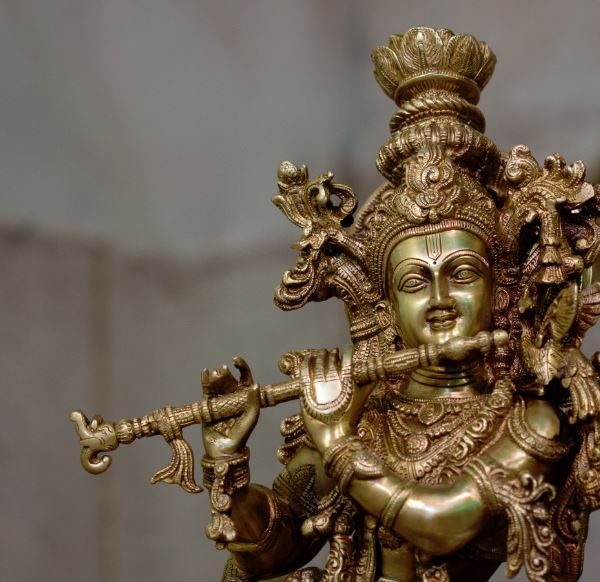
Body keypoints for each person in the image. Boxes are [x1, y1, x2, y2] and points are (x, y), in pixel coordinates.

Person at [199, 27, 600, 582]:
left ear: (501, 292)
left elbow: (444, 524)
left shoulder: (529, 421)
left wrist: (335, 441)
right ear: (386, 308)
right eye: (414, 282)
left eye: (462, 274)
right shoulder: (366, 416)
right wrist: (228, 462)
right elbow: (275, 548)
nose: (440, 301)